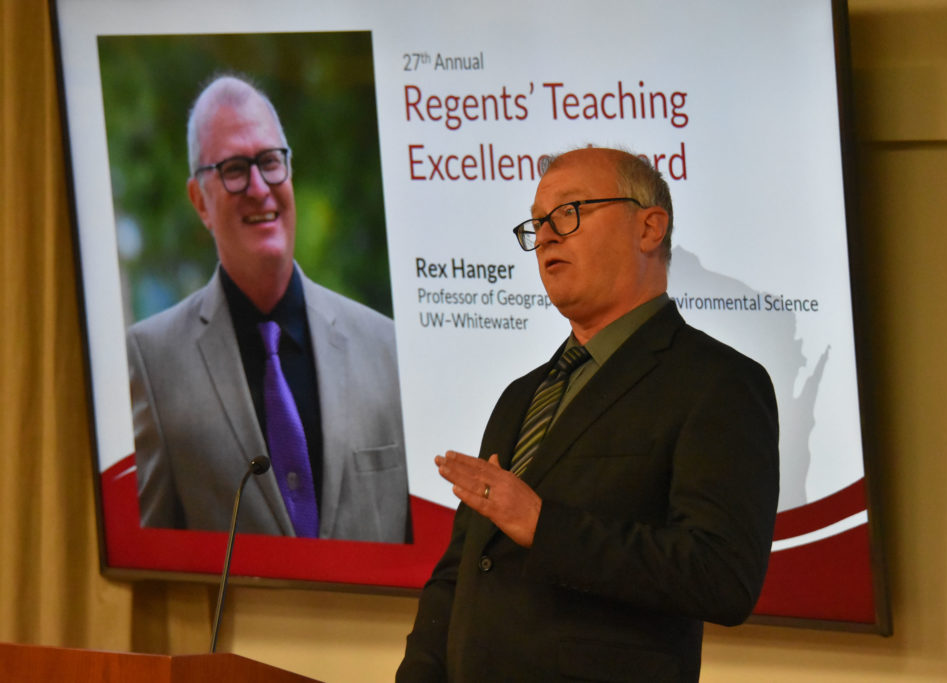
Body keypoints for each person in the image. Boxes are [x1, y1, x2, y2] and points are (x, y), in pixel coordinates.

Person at [397, 147, 779, 680]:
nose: (547, 235)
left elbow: (720, 576)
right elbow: (461, 571)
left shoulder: (718, 383)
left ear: (649, 228)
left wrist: (544, 526)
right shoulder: (521, 395)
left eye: (569, 213)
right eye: (537, 224)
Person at [127, 75, 409, 542]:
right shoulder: (150, 362)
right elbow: (154, 560)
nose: (259, 187)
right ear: (200, 201)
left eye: (270, 162)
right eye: (235, 168)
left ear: (289, 171)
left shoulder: (386, 348)